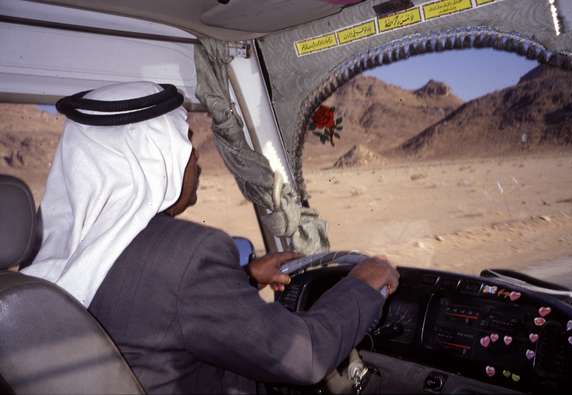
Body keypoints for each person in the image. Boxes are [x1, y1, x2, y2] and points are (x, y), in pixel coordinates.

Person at [22, 82, 400, 394]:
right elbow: (306, 356)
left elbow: (145, 307)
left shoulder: (47, 255)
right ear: (152, 158)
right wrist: (362, 285)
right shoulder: (189, 254)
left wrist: (247, 277)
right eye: (183, 140)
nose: (195, 157)